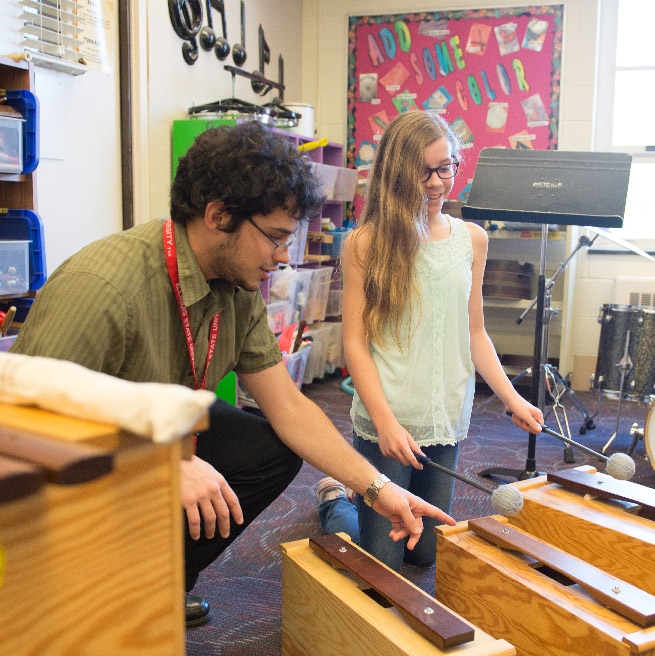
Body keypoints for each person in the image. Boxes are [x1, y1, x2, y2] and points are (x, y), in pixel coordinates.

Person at [9, 122, 457, 628]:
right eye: (276, 239)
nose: (285, 258)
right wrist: (156, 466)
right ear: (218, 216)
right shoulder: (103, 288)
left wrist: (379, 489)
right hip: (50, 470)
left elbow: (290, 408)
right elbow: (20, 429)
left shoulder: (237, 291)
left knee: (269, 447)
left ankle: (156, 582)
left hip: (145, 432)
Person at [317, 111, 544, 571]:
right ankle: (333, 501)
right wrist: (384, 423)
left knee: (426, 554)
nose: (439, 182)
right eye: (425, 171)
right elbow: (355, 345)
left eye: (448, 167)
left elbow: (474, 331)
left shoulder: (471, 240)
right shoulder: (365, 243)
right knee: (381, 560)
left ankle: (352, 501)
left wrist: (512, 399)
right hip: (388, 420)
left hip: (444, 416)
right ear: (397, 173)